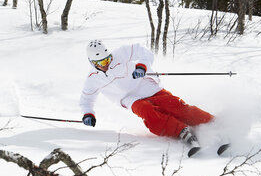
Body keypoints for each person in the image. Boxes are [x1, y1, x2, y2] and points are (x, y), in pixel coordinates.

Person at [80, 40, 214, 154]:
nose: (107, 64)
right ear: (93, 63)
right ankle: (181, 131)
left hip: (145, 85)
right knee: (147, 111)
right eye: (102, 63)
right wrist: (88, 114)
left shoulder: (119, 54)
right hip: (129, 98)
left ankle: (212, 123)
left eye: (107, 59)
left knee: (175, 106)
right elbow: (87, 99)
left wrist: (142, 66)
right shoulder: (92, 79)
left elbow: (143, 51)